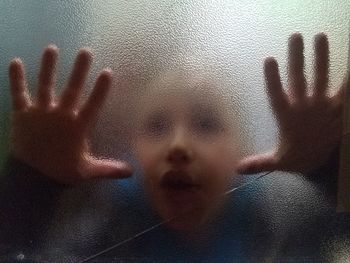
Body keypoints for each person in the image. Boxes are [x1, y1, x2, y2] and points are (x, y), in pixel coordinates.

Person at [0, 33, 349, 262]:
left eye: (207, 123)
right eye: (157, 126)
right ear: (132, 147)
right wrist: (32, 185)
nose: (178, 144)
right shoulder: (110, 222)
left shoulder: (285, 212)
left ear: (242, 148)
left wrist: (330, 169)